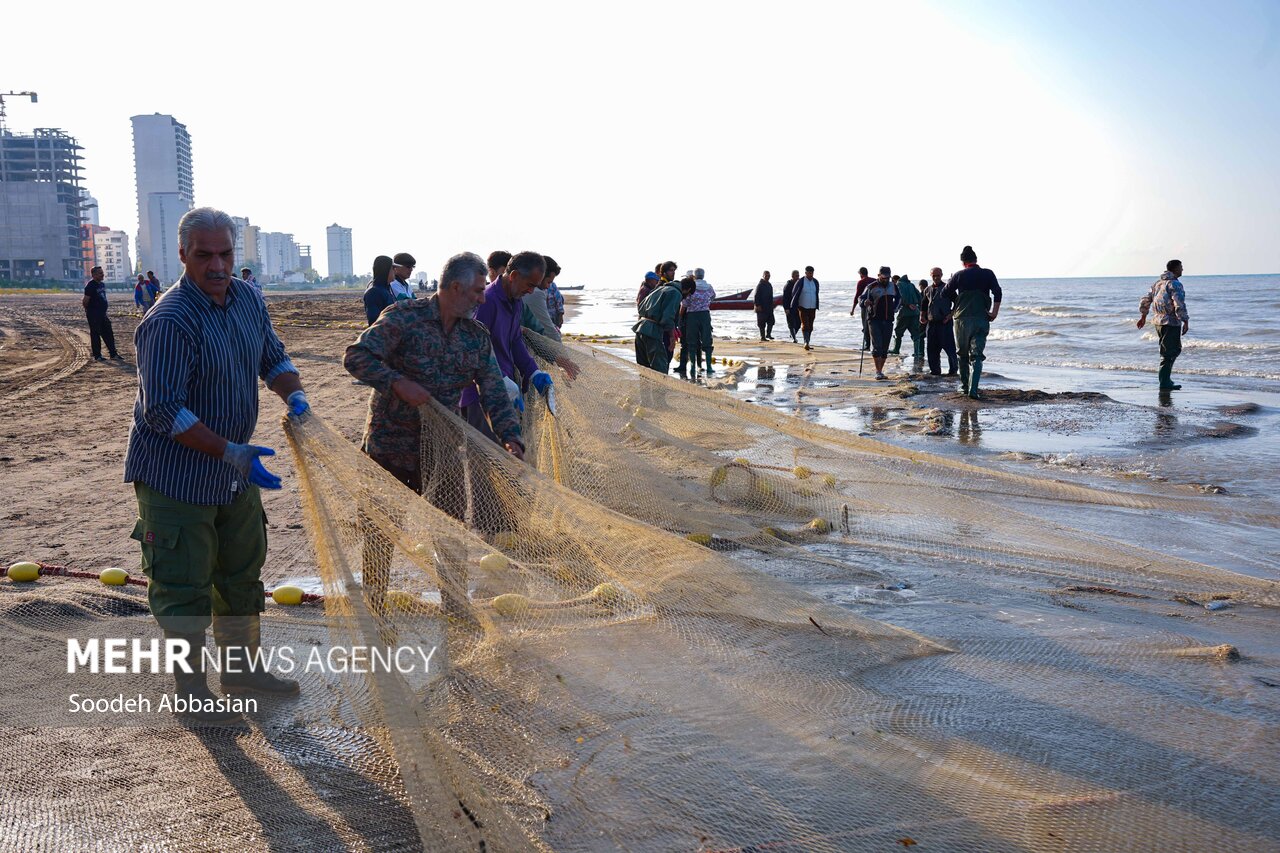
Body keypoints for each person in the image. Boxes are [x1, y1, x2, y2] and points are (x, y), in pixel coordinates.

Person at [125, 207, 308, 723]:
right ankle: (191, 693)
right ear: (182, 254)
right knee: (183, 585)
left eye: (225, 254)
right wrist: (228, 450)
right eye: (204, 255)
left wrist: (296, 397)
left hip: (234, 474)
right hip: (175, 478)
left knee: (241, 574)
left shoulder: (249, 298)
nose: (217, 265)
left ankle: (240, 669)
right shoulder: (167, 320)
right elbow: (163, 408)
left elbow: (272, 356)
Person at [344, 252, 526, 613]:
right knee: (381, 532)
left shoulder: (475, 337)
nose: (481, 298)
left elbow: (492, 390)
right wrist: (397, 383)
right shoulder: (404, 317)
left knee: (451, 532)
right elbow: (356, 356)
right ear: (455, 287)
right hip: (390, 446)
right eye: (476, 291)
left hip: (443, 451)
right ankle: (376, 608)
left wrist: (510, 437)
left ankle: (456, 610)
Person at [459, 251, 576, 437]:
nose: (531, 291)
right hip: (480, 395)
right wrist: (498, 381)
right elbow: (470, 350)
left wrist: (534, 372)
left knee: (510, 451)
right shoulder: (487, 302)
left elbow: (515, 342)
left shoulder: (517, 302)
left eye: (535, 287)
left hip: (507, 390)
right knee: (486, 456)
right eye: (529, 285)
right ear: (513, 276)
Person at [941, 245, 1002, 399]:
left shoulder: (959, 275)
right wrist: (994, 312)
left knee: (962, 354)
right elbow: (997, 292)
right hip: (981, 318)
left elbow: (944, 293)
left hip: (962, 320)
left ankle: (964, 386)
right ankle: (973, 389)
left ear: (963, 262)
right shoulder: (988, 273)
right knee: (977, 355)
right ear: (976, 260)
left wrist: (953, 287)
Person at [1137, 259, 1190, 391]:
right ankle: (1165, 382)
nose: (1182, 270)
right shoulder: (1175, 284)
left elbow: (1146, 300)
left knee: (1170, 350)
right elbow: (1179, 303)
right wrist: (1185, 320)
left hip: (1158, 322)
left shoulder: (1158, 283)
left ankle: (1166, 379)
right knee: (1170, 351)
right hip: (1170, 322)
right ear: (1175, 269)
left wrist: (1143, 316)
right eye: (1181, 267)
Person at [635, 276, 692, 373]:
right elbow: (667, 318)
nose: (686, 297)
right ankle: (660, 389)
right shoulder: (676, 293)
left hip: (640, 328)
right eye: (689, 294)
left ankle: (644, 388)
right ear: (688, 290)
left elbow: (640, 307)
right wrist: (671, 337)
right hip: (652, 332)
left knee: (643, 369)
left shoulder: (660, 288)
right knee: (660, 370)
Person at [859, 266, 900, 379]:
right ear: (879, 276)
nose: (886, 280)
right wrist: (864, 302)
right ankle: (878, 371)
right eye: (883, 277)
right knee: (877, 346)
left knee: (885, 347)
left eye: (888, 277)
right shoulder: (871, 287)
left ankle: (880, 371)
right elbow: (860, 299)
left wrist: (895, 309)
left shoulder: (893, 286)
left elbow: (899, 298)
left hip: (888, 319)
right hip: (874, 319)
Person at [678, 267, 716, 377]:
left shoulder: (691, 287)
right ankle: (709, 366)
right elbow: (713, 296)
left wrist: (680, 317)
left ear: (694, 275)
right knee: (707, 340)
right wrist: (705, 303)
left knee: (691, 341)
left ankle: (693, 367)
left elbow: (684, 304)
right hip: (705, 314)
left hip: (692, 316)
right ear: (703, 275)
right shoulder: (709, 287)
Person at [920, 267, 957, 376]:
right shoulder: (927, 289)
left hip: (945, 322)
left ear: (941, 275)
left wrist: (950, 315)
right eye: (934, 275)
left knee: (949, 348)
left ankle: (953, 370)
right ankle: (935, 371)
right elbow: (924, 304)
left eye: (938, 275)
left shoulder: (948, 288)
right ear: (931, 275)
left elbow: (957, 303)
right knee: (931, 349)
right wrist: (922, 316)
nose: (936, 277)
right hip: (931, 323)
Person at [82, 266, 122, 361]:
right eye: (100, 273)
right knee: (95, 334)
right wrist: (90, 311)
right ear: (94, 275)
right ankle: (97, 355)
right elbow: (85, 301)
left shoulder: (102, 285)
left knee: (108, 333)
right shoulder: (90, 286)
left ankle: (113, 353)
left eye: (102, 272)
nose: (102, 274)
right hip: (94, 314)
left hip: (102, 314)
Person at [523, 255, 563, 342]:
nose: (547, 286)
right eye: (548, 282)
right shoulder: (536, 293)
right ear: (541, 275)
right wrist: (560, 349)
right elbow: (547, 326)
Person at [889, 271, 923, 360]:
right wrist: (919, 307)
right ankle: (917, 352)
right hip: (915, 312)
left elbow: (900, 297)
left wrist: (907, 304)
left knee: (898, 332)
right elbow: (919, 296)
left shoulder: (898, 284)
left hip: (904, 312)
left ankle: (896, 349)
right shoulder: (911, 285)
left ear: (894, 280)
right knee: (915, 333)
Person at [792, 265, 820, 350]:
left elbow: (816, 293)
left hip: (813, 307)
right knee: (805, 325)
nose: (811, 275)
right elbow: (794, 293)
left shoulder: (815, 282)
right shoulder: (801, 281)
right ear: (806, 273)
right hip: (802, 307)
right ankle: (806, 342)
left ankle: (808, 342)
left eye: (812, 273)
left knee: (810, 326)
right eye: (809, 273)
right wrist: (794, 305)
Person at [363, 255, 395, 326]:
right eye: (393, 268)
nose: (395, 271)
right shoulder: (373, 292)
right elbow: (374, 320)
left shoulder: (386, 289)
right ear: (386, 270)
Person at [851, 267, 874, 350]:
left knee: (865, 325)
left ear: (861, 274)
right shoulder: (874, 280)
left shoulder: (861, 282)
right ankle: (875, 345)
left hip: (865, 306)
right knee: (873, 325)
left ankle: (867, 345)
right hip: (875, 306)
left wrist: (853, 309)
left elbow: (858, 295)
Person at [753, 271, 775, 341]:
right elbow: (756, 296)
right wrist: (758, 305)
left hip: (769, 307)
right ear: (763, 276)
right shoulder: (760, 285)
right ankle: (762, 337)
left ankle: (768, 334)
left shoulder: (769, 284)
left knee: (771, 321)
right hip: (761, 307)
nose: (767, 277)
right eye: (766, 275)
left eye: (768, 275)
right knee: (761, 323)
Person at [545, 260, 566, 329]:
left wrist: (560, 314)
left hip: (553, 316)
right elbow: (559, 300)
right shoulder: (551, 285)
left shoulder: (552, 285)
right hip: (548, 316)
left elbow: (559, 300)